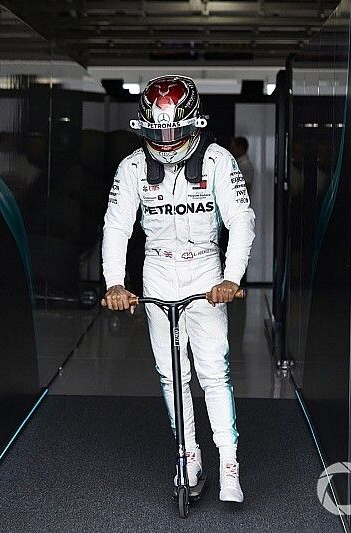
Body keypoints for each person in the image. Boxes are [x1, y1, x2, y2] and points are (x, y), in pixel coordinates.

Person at [101, 75, 255, 503]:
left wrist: (232, 279)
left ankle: (228, 462)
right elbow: (117, 227)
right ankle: (188, 456)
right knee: (172, 374)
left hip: (206, 271)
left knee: (213, 372)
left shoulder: (219, 161)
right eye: (157, 133)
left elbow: (241, 220)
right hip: (158, 270)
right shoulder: (132, 167)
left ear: (193, 123)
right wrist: (115, 282)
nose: (166, 142)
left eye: (174, 132)